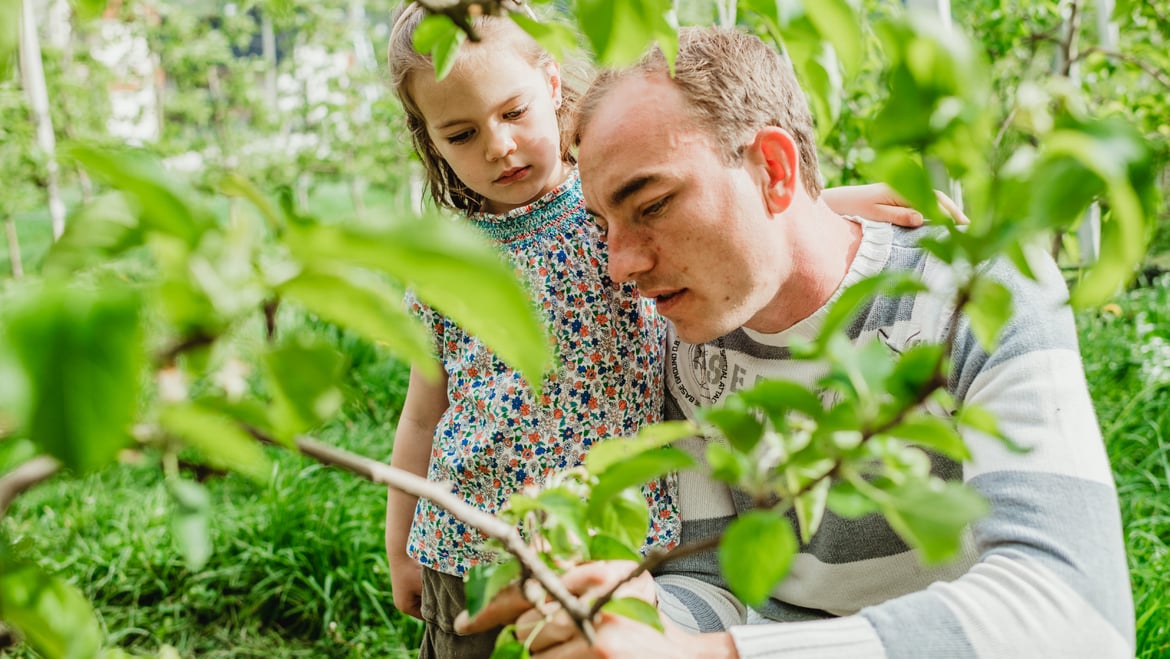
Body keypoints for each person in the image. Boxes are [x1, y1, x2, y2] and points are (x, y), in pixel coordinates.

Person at [457, 26, 1135, 658]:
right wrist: (635, 611)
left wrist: (713, 654)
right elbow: (713, 581)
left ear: (775, 171)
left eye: (653, 204)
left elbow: (1077, 613)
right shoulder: (690, 338)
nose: (619, 266)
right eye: (604, 222)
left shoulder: (978, 294)